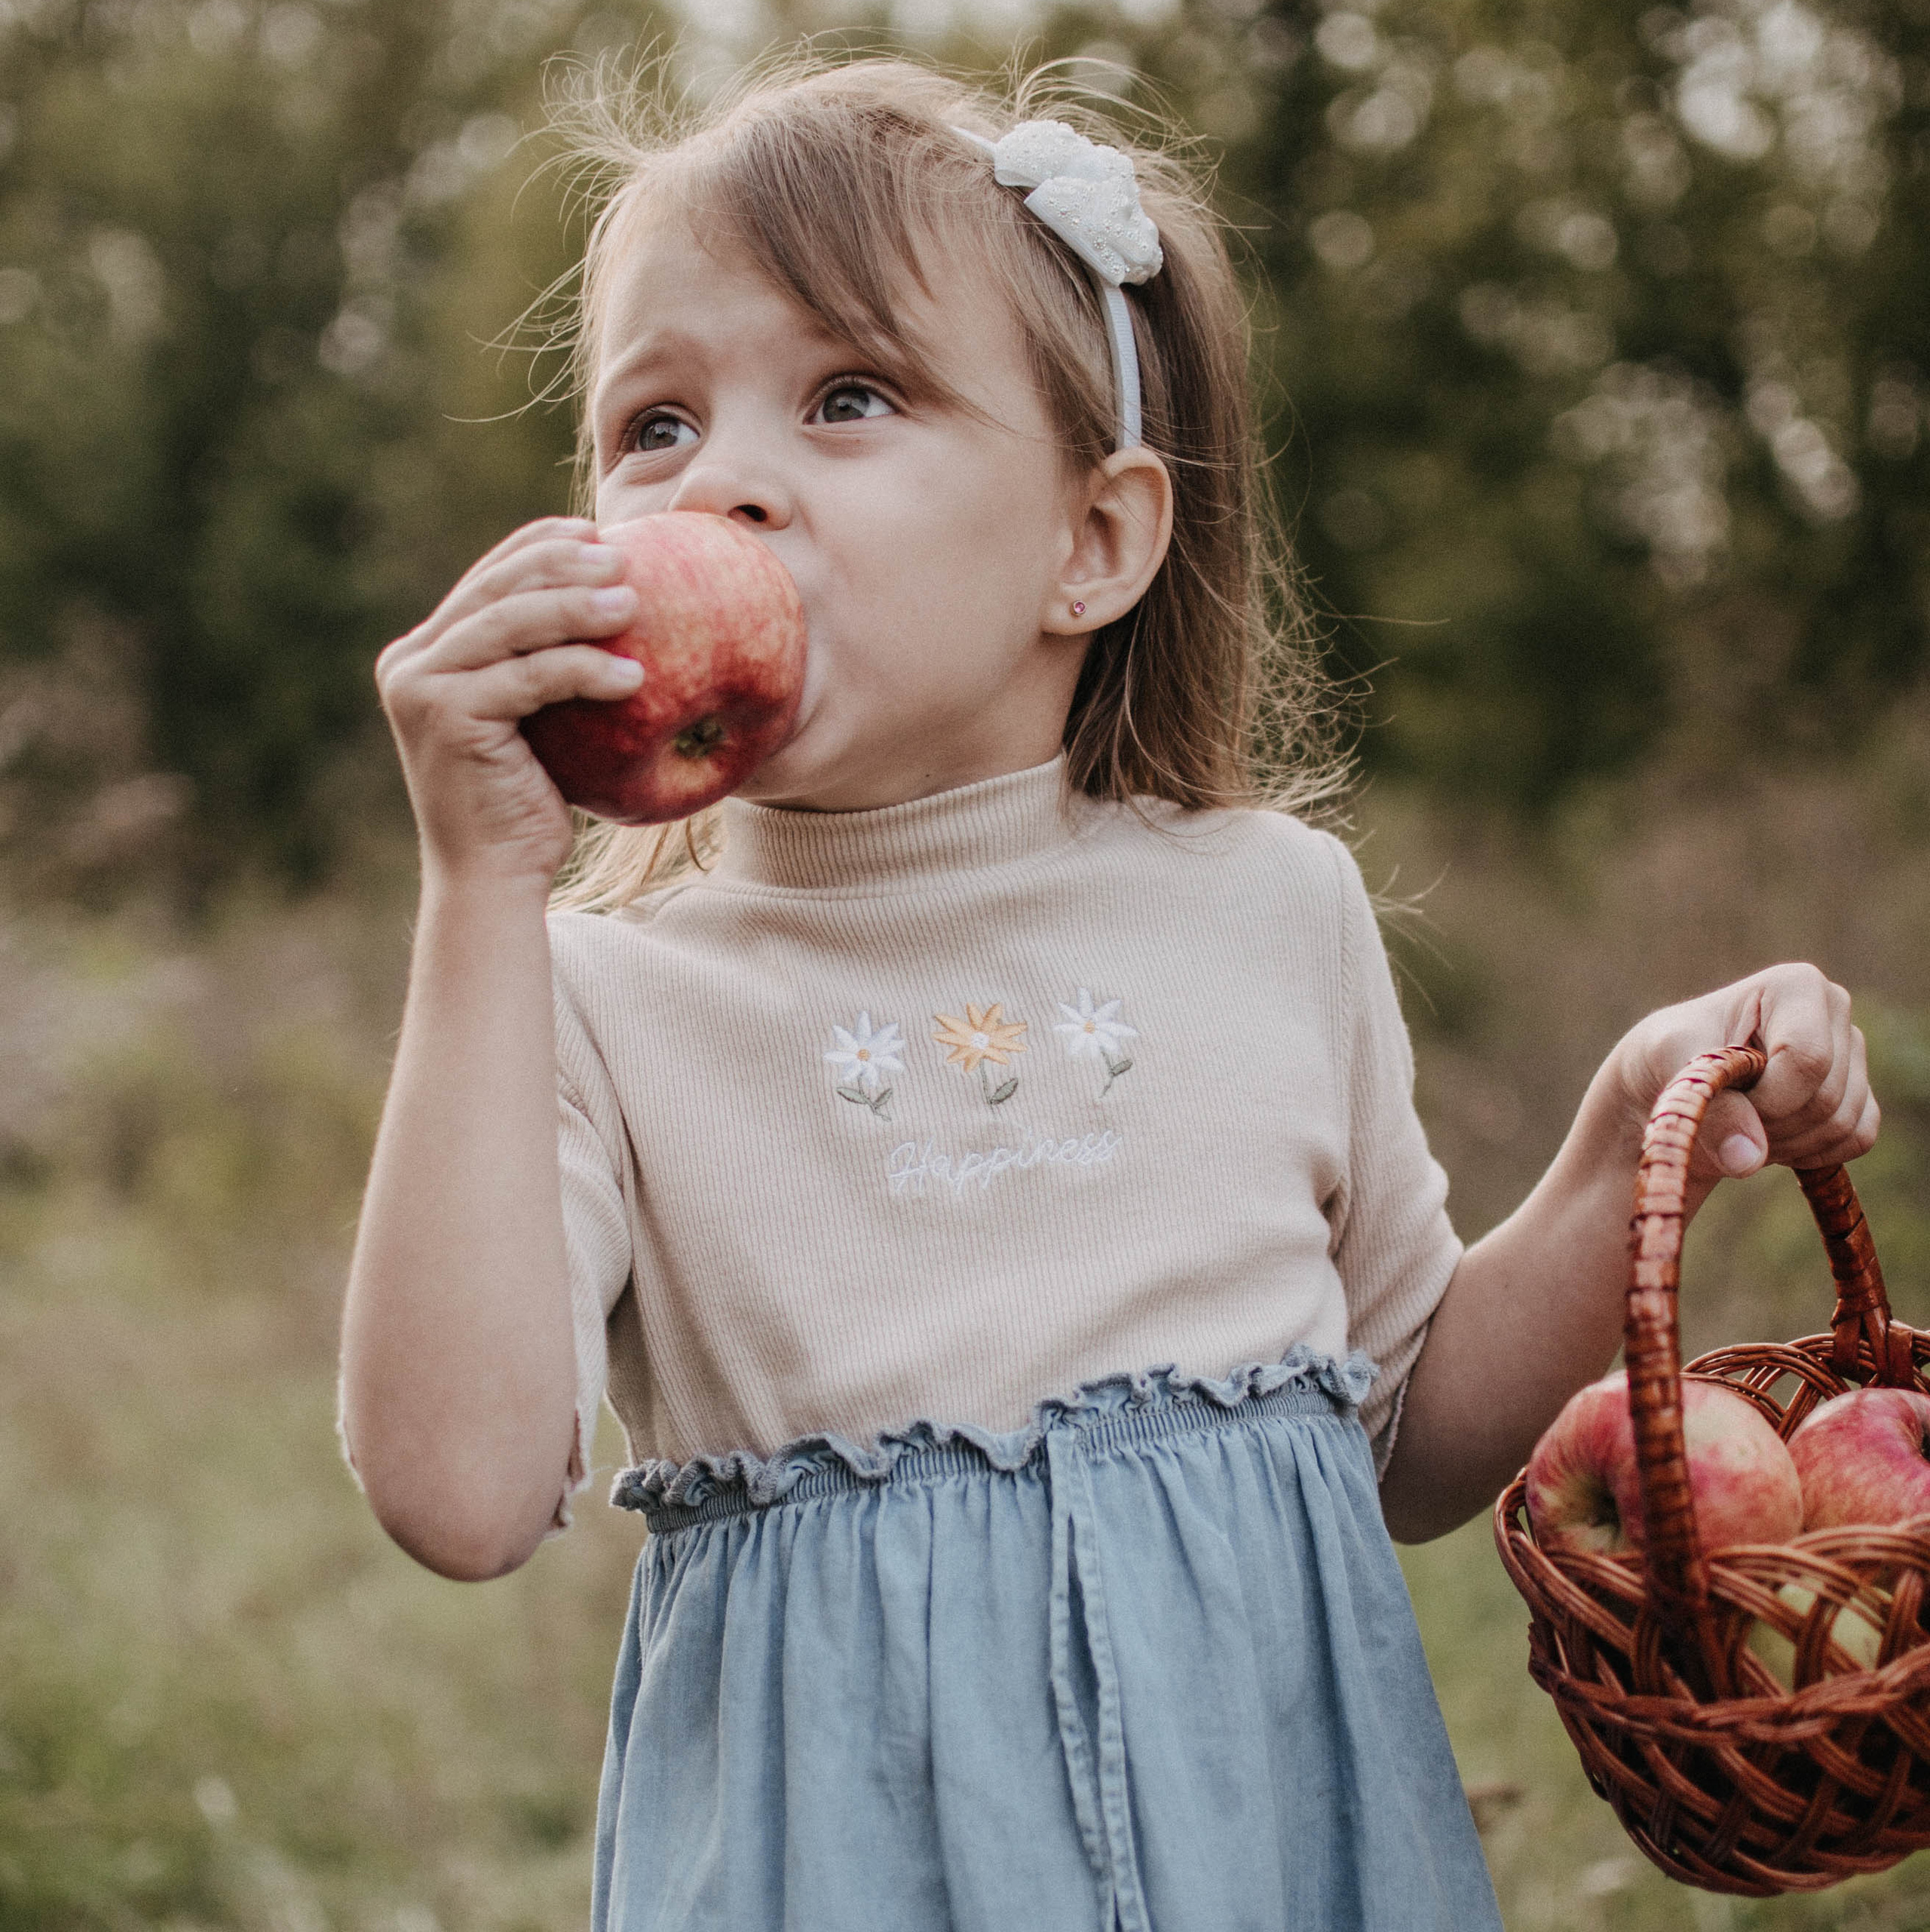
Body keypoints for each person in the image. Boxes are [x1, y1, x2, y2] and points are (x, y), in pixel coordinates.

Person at [339, 54, 1878, 1932]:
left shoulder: (1265, 911)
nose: (718, 480)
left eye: (846, 397)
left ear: (1095, 541)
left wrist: (1618, 1147)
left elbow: (1403, 1433)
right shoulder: (599, 1000)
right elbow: (459, 1492)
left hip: (1280, 1860)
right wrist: (479, 893)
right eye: (651, 425)